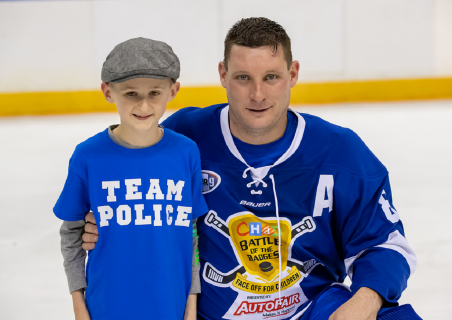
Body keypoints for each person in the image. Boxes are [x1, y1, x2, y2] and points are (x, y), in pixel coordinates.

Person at [81, 18, 422, 320]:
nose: (257, 94)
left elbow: (386, 245)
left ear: (293, 74)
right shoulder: (186, 138)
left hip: (312, 308)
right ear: (223, 75)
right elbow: (135, 190)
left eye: (271, 77)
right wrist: (107, 223)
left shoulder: (340, 152)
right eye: (243, 77)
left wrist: (364, 301)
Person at [54, 37, 209, 320]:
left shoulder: (186, 153)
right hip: (106, 306)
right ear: (107, 91)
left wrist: (191, 303)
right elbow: (72, 233)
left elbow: (192, 233)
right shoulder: (88, 156)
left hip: (170, 306)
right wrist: (79, 303)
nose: (144, 105)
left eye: (154, 93)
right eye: (131, 94)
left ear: (173, 90)